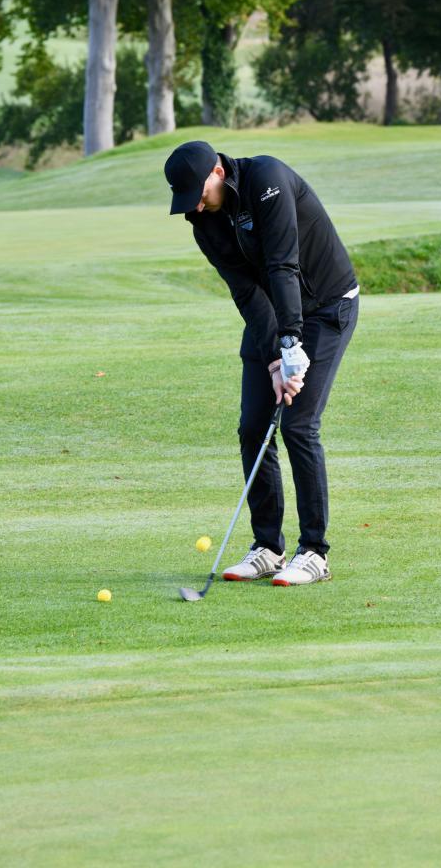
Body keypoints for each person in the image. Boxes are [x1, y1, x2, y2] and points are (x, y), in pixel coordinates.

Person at [164, 140, 359, 586]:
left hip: (327, 306)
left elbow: (282, 265)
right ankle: (268, 547)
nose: (195, 206)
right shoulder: (203, 221)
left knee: (298, 425)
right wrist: (275, 359)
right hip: (271, 313)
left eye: (198, 193)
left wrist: (291, 342)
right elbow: (246, 292)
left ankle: (314, 552)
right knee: (253, 426)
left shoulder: (267, 179)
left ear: (217, 171)